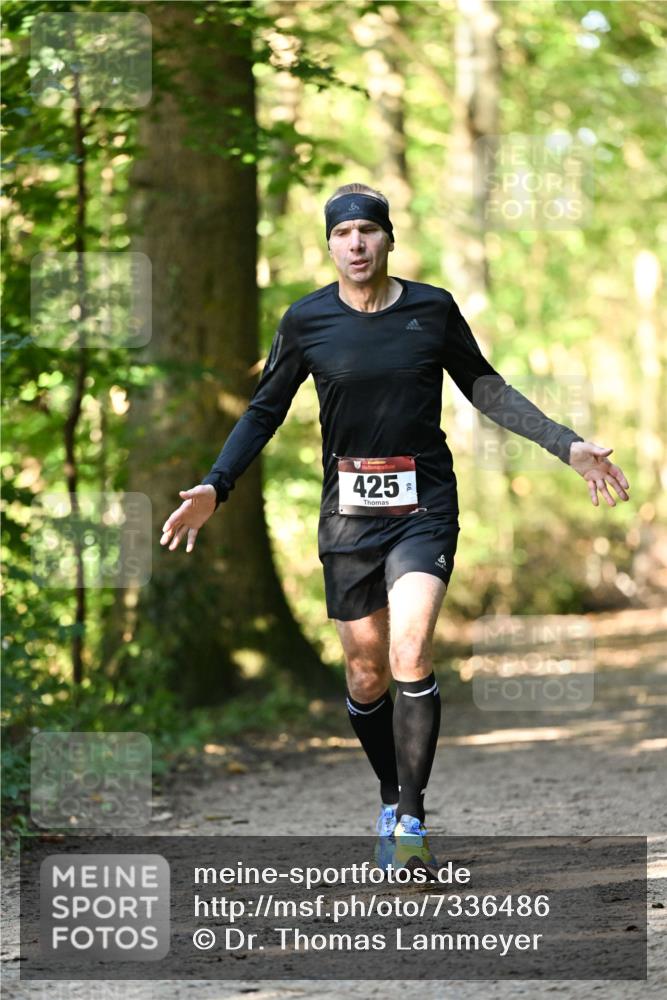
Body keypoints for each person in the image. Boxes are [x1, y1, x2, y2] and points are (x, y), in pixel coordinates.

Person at [160, 182, 630, 870]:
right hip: (349, 515)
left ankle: (410, 815)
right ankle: (389, 790)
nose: (355, 244)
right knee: (364, 673)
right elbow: (264, 410)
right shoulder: (306, 321)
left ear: (387, 238)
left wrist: (566, 444)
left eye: (367, 231)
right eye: (342, 234)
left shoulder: (431, 310)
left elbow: (486, 388)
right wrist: (215, 484)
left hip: (423, 504)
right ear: (328, 245)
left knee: (410, 651)